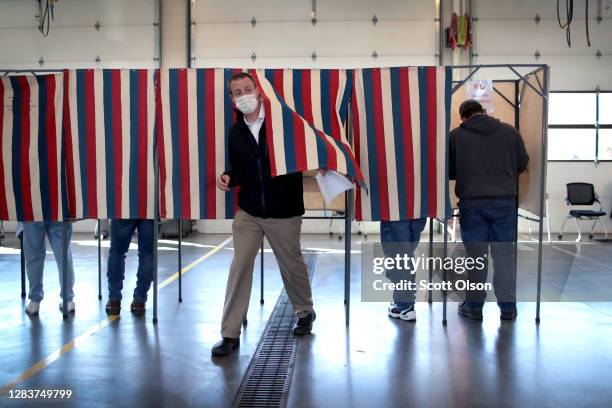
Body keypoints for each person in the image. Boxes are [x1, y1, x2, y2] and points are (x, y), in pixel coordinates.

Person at [212, 72, 315, 356]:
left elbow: (301, 155)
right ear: (232, 99)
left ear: (258, 91)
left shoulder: (282, 124)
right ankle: (229, 333)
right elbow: (239, 171)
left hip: (284, 210)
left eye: (247, 89)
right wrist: (227, 177)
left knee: (291, 264)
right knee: (240, 266)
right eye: (237, 92)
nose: (243, 95)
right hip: (249, 211)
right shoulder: (236, 132)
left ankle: (305, 311)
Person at [449, 99, 529, 321]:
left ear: (463, 117)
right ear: (484, 112)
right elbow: (522, 164)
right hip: (504, 202)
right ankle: (508, 308)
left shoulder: (456, 136)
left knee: (476, 258)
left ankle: (474, 307)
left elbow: (450, 171)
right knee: (504, 256)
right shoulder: (510, 132)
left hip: (472, 204)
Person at [21, 221, 76, 315]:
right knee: (63, 255)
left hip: (32, 210)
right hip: (58, 210)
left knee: (34, 256)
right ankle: (68, 300)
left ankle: (34, 302)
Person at [105, 220, 154, 316]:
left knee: (117, 252)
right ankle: (140, 301)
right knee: (147, 253)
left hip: (124, 207)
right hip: (149, 208)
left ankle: (114, 300)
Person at [381, 218, 427, 321]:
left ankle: (404, 305)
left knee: (398, 253)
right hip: (419, 207)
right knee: (406, 250)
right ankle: (403, 301)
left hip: (395, 209)